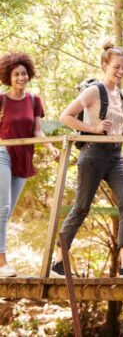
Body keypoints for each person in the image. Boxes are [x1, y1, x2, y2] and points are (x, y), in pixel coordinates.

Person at [51, 40, 123, 279]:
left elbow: (116, 129)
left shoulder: (121, 96)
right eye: (117, 67)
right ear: (105, 64)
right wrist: (92, 128)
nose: (121, 71)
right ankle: (58, 262)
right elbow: (66, 116)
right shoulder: (94, 90)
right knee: (82, 207)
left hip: (116, 155)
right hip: (93, 153)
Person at [0, 52, 60, 277]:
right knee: (2, 207)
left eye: (24, 73)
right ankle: (2, 262)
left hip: (24, 157)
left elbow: (36, 130)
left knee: (6, 213)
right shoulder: (2, 100)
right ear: (9, 76)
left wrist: (51, 148)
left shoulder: (34, 100)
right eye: (16, 74)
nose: (21, 77)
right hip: (3, 153)